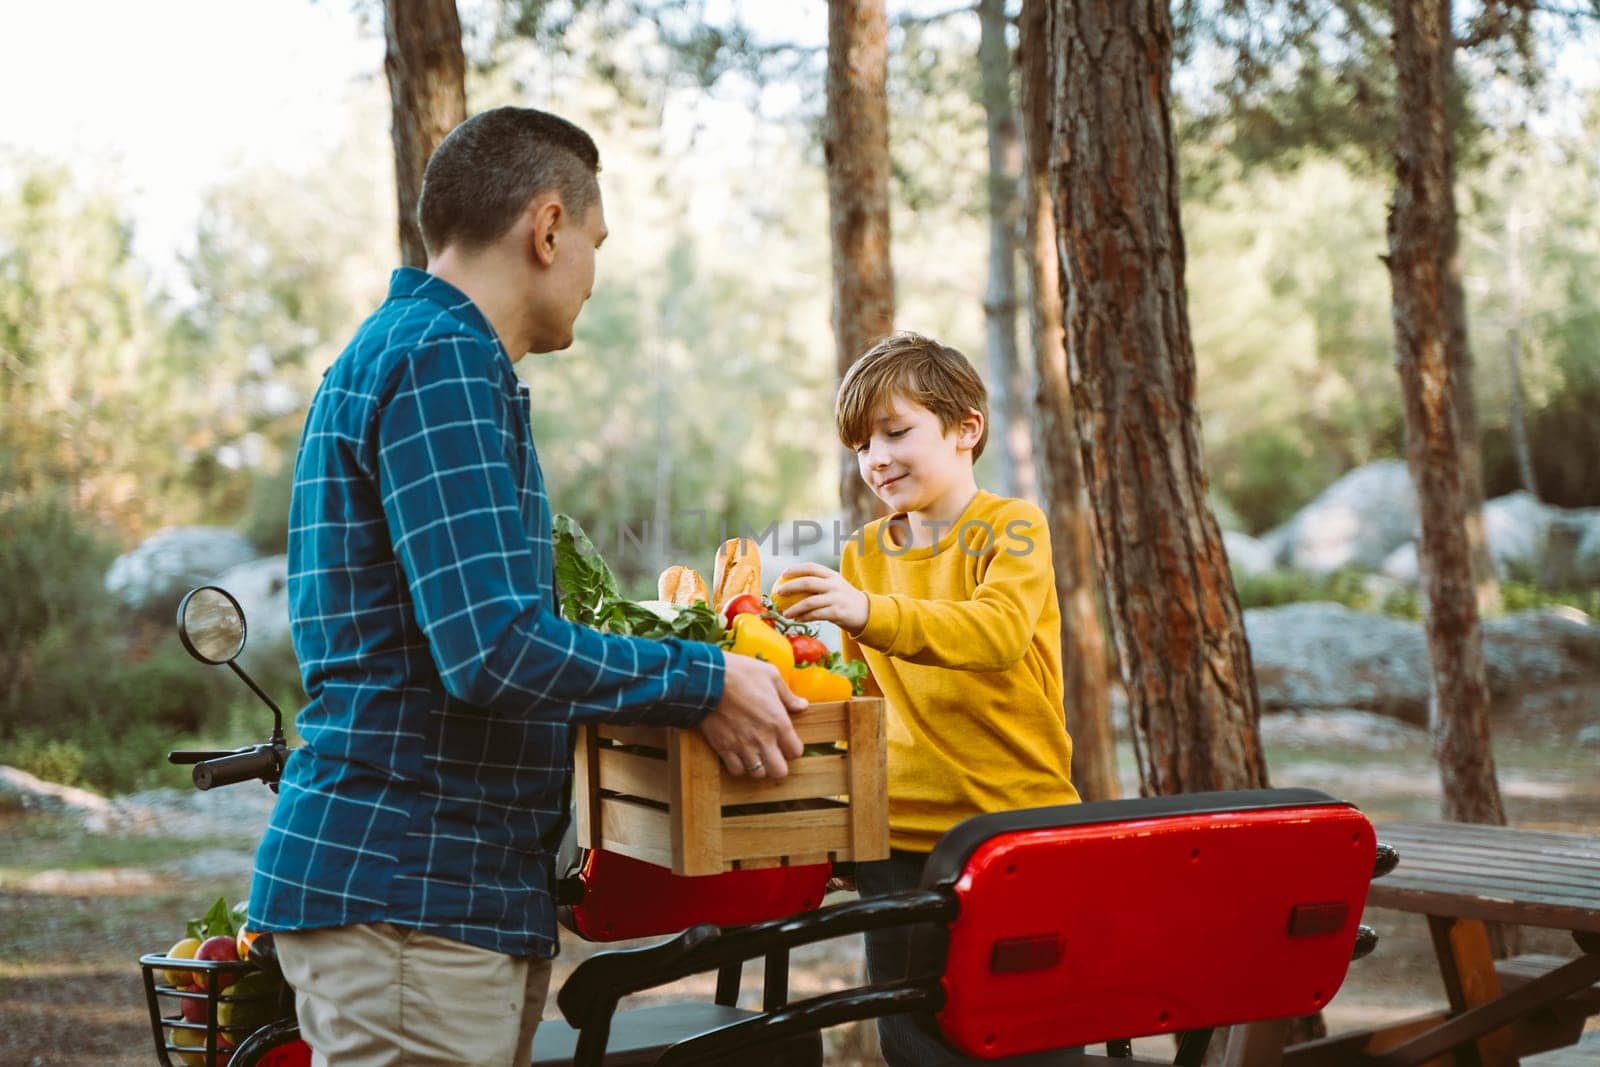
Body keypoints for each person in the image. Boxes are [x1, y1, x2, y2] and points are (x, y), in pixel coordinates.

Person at [247, 107, 806, 1067]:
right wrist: (703, 679)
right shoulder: (444, 361)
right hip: (409, 899)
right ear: (546, 229)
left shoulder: (408, 352)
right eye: (594, 242)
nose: (594, 272)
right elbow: (492, 646)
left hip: (436, 901)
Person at [779, 331, 1080, 1066]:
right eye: (861, 443)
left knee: (1031, 1030)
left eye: (896, 431)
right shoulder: (863, 554)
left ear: (966, 428)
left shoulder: (1010, 527)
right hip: (900, 838)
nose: (875, 458)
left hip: (1016, 826)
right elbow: (866, 702)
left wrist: (866, 611)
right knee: (914, 1035)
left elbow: (996, 632)